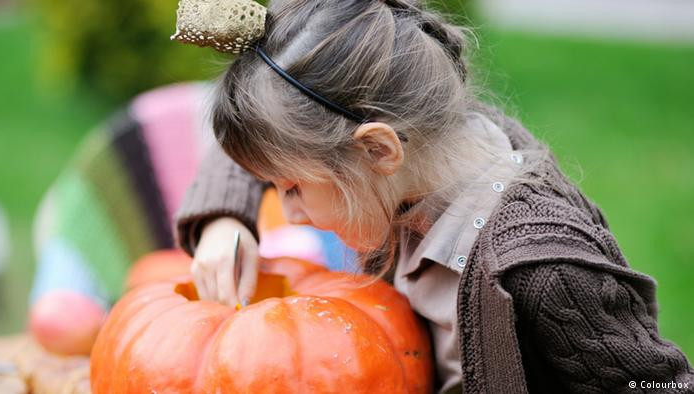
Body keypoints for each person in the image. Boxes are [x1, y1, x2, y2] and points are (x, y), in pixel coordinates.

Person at [173, 0, 694, 392]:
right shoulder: (416, 150)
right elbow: (282, 129)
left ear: (377, 150)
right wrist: (224, 220)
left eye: (291, 189)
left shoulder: (542, 271)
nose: (288, 213)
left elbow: (660, 385)